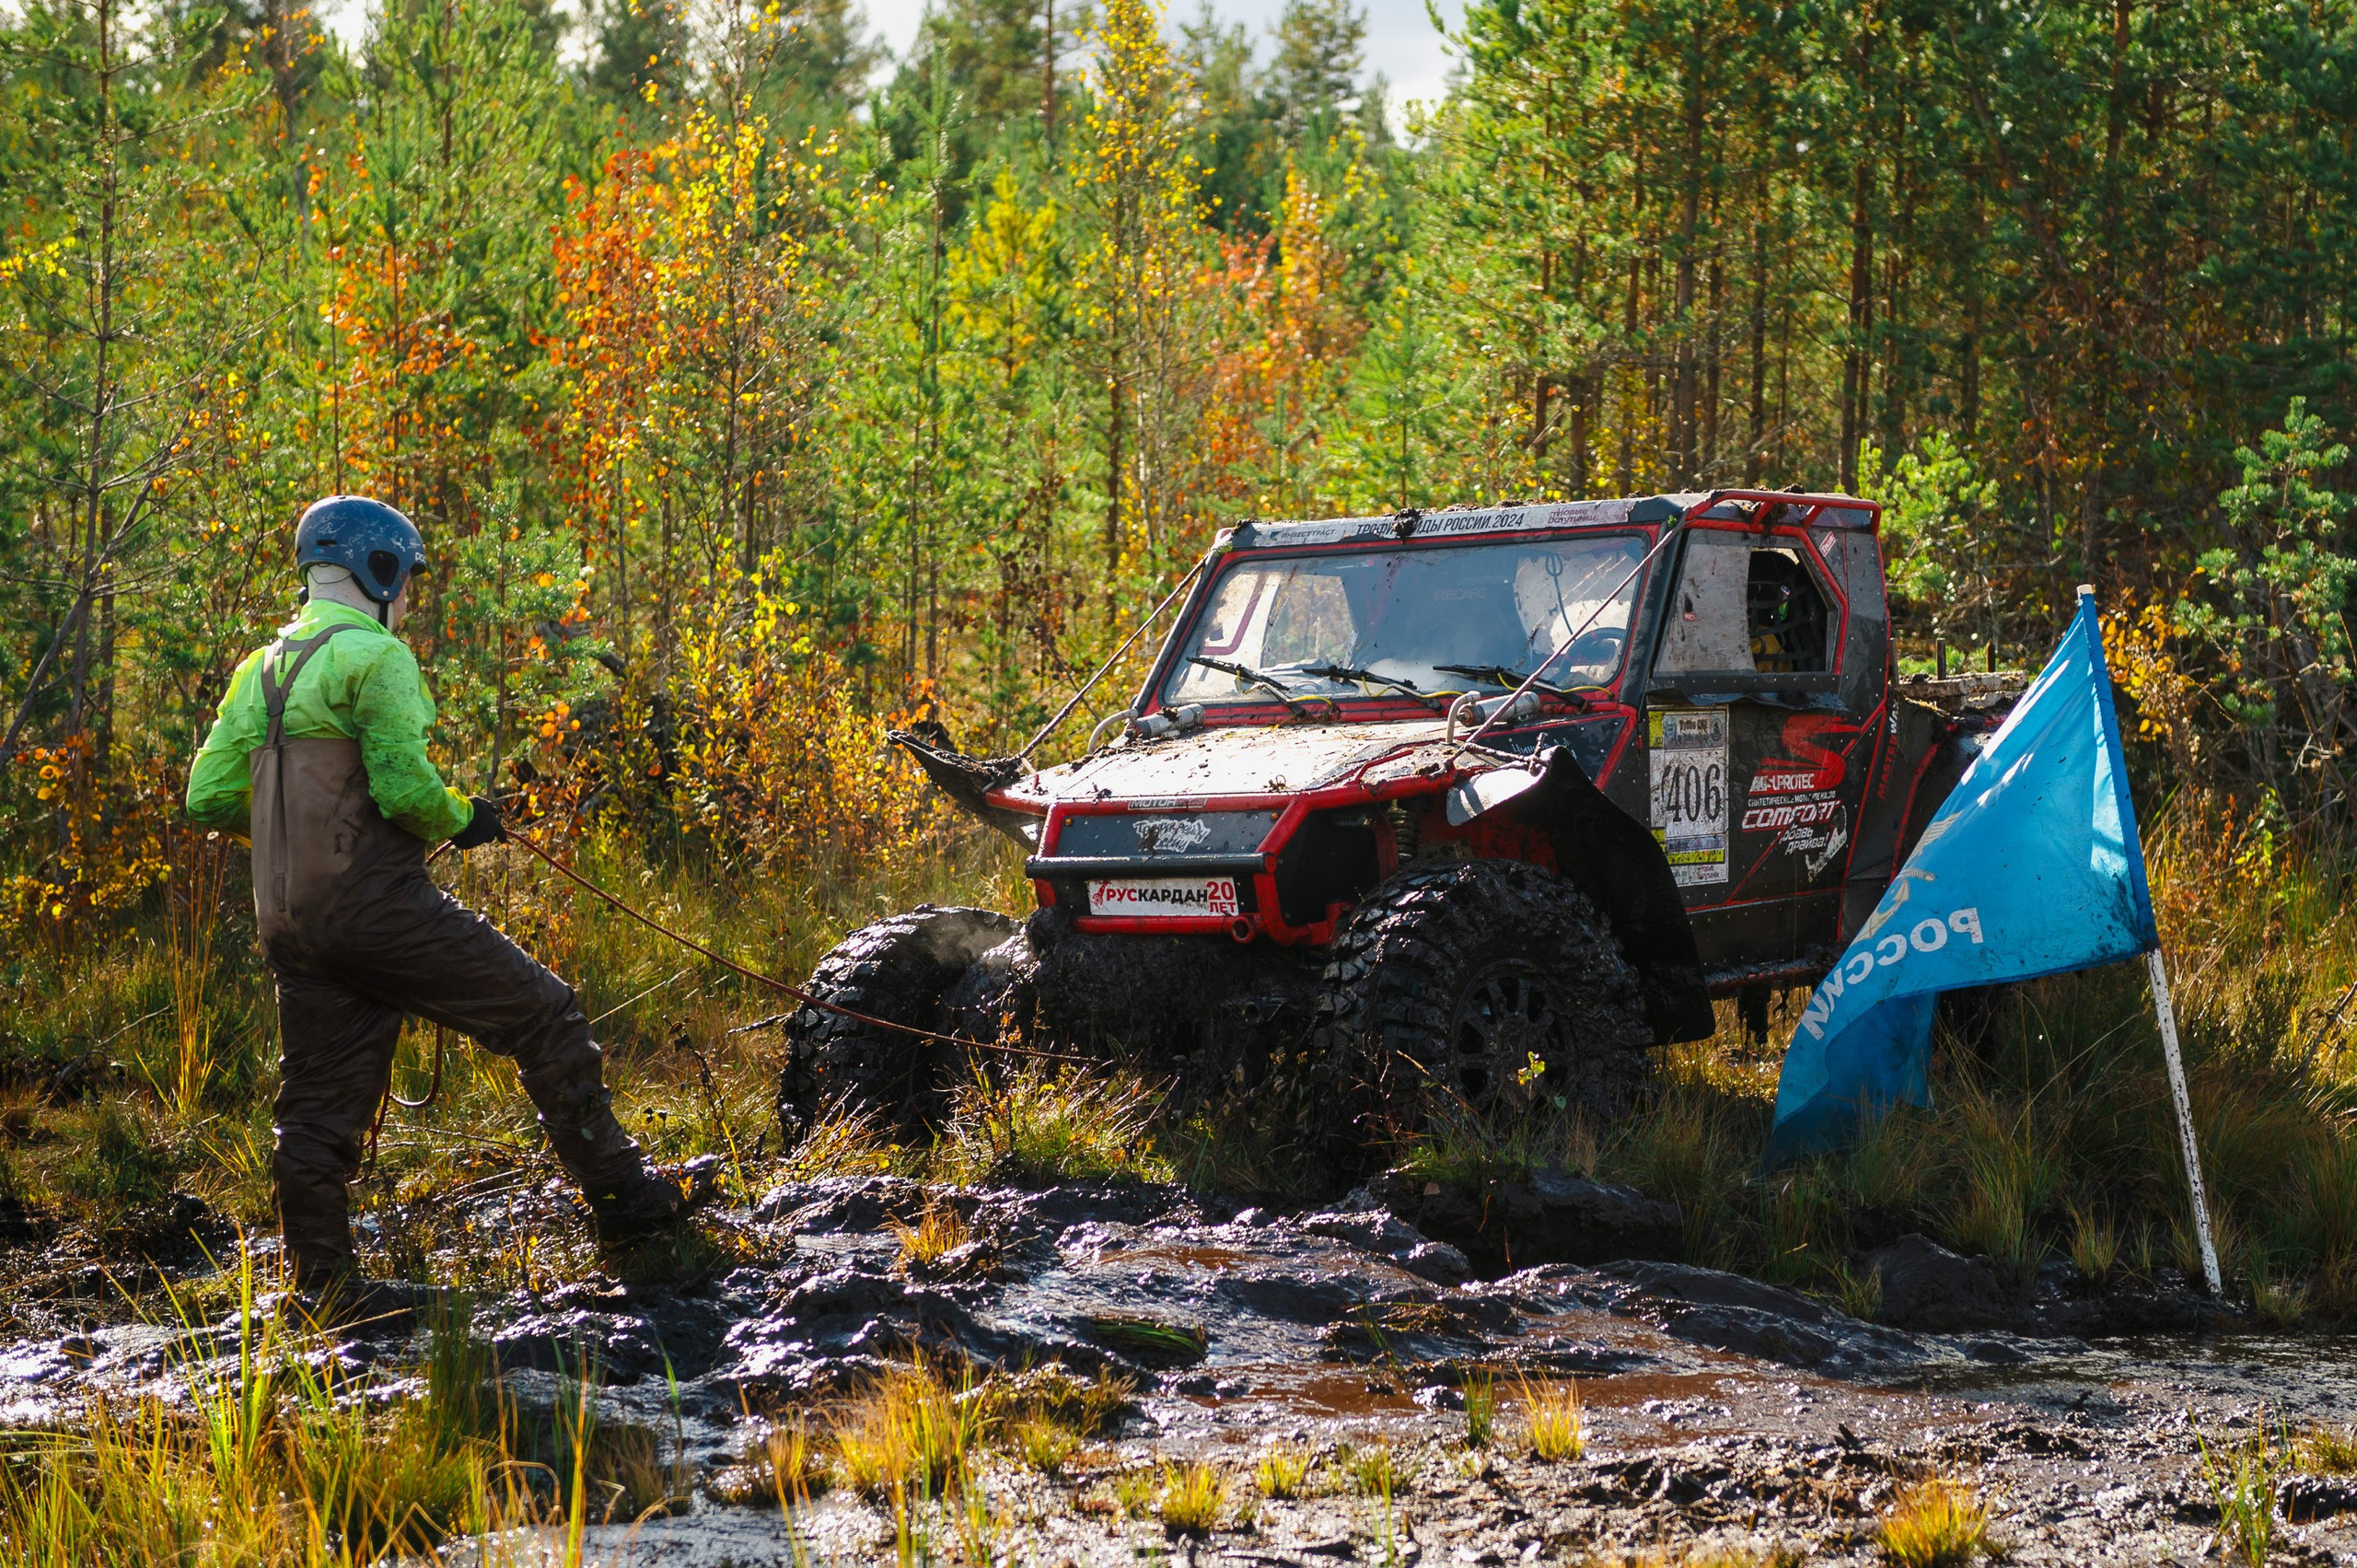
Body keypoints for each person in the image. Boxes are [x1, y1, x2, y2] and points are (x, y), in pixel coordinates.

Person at [187, 496, 686, 1291]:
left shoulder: (263, 667)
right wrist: (464, 818)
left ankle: (322, 1286)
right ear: (375, 570)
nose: (408, 599)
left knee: (313, 1113)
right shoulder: (375, 659)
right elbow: (404, 787)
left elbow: (207, 797)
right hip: (376, 910)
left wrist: (309, 833)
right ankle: (631, 1207)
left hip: (289, 919)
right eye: (406, 581)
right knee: (543, 1012)